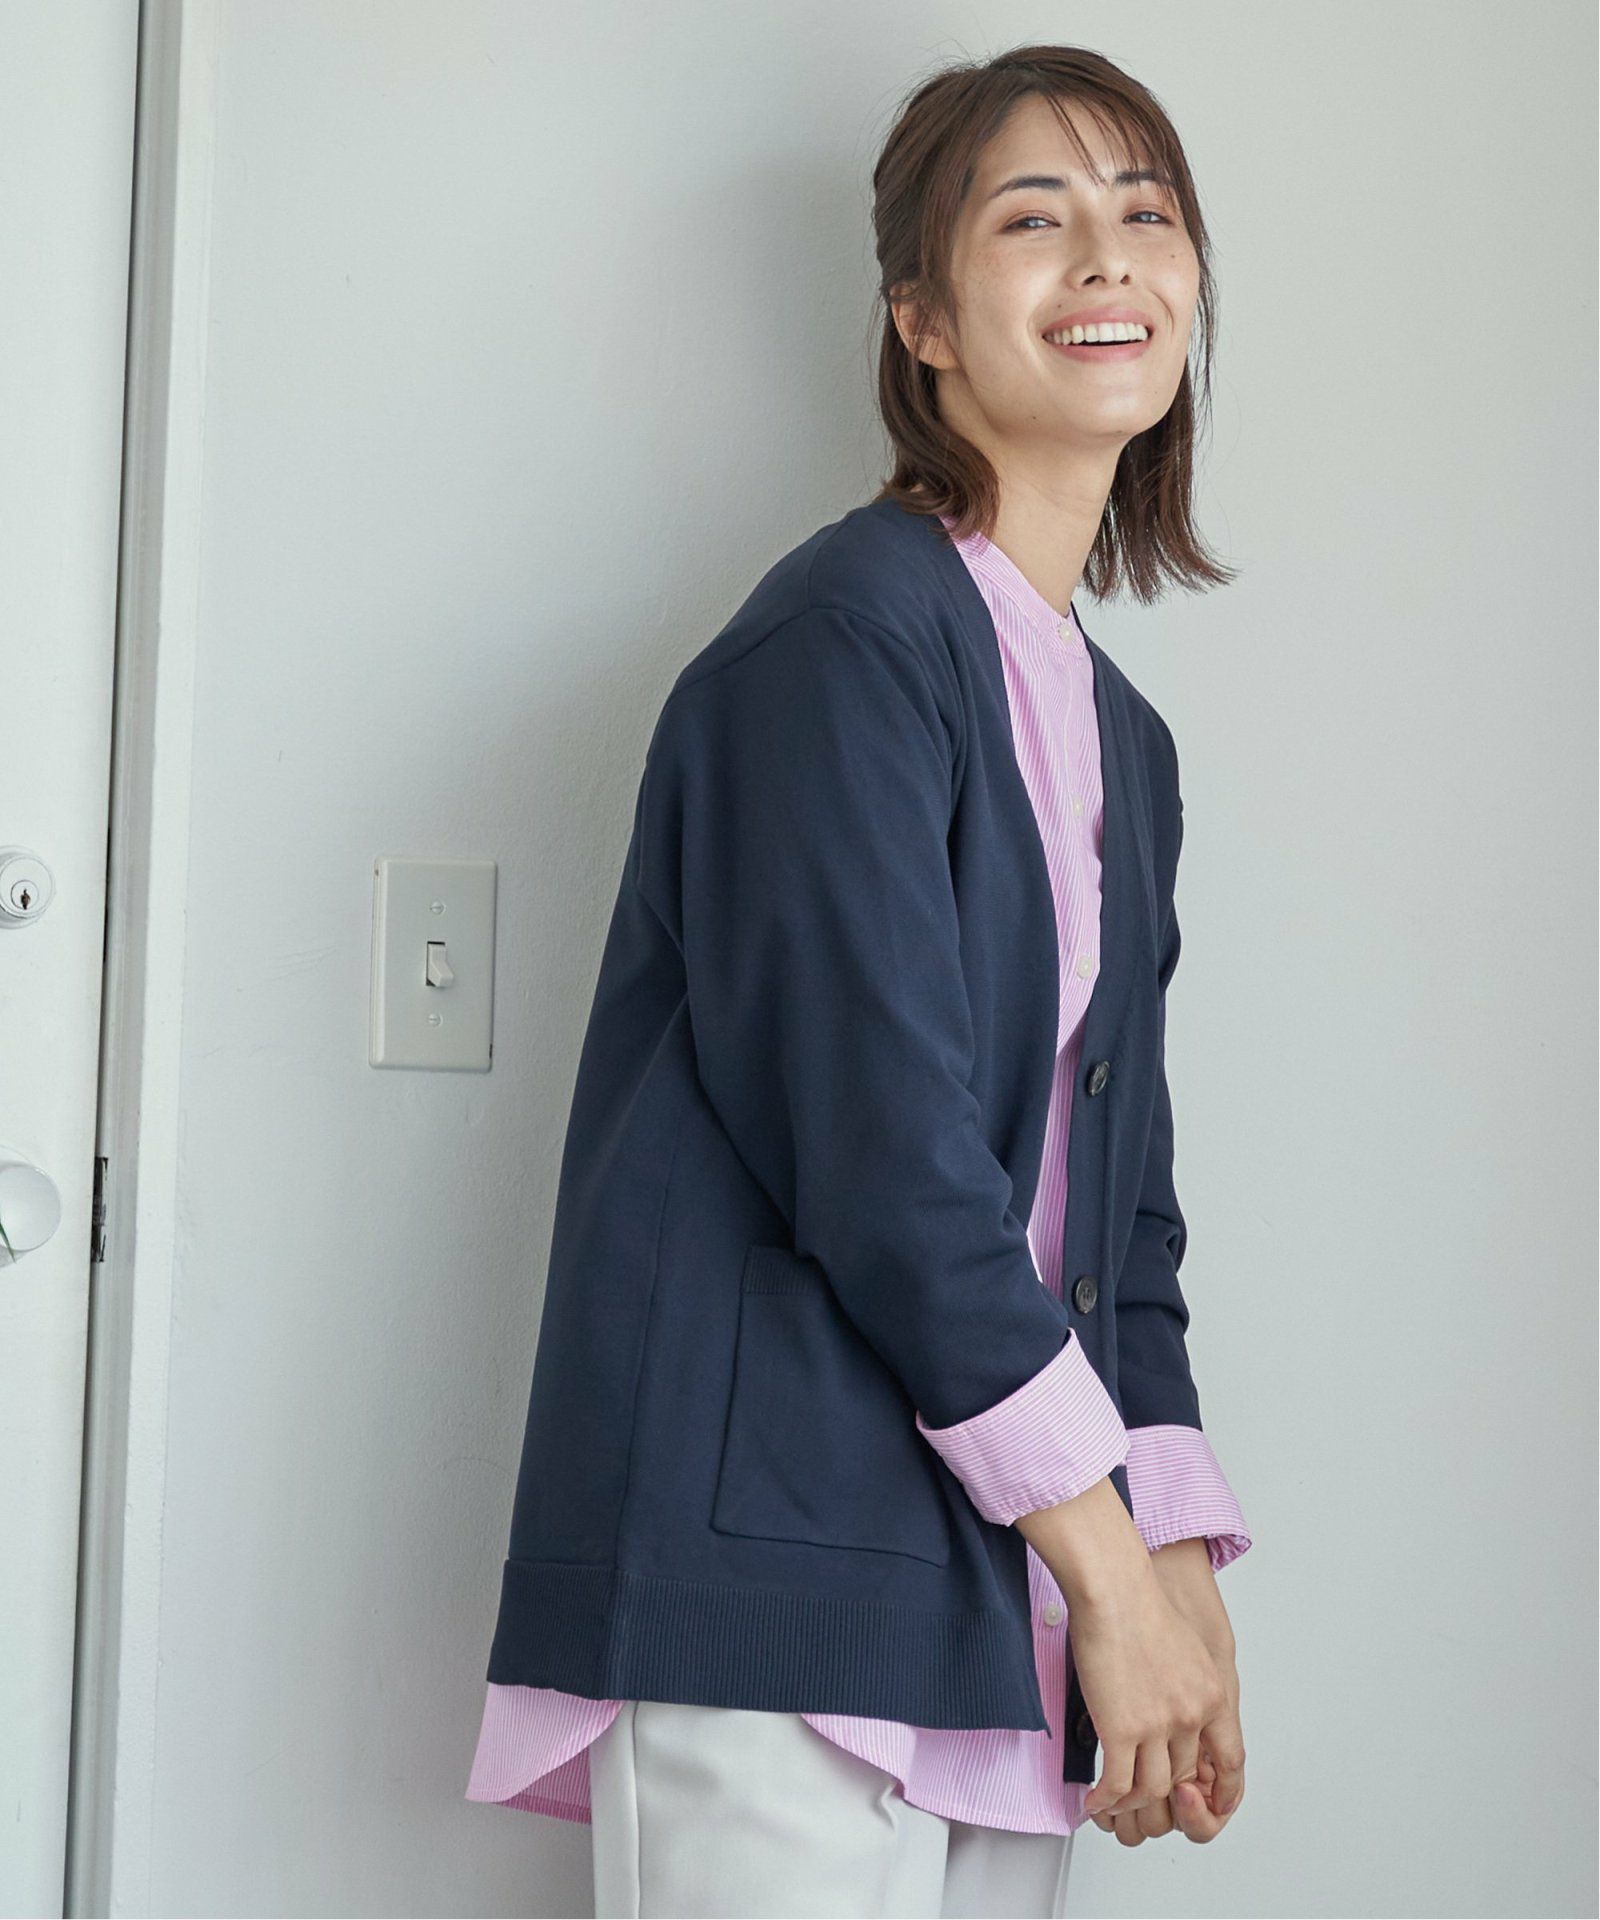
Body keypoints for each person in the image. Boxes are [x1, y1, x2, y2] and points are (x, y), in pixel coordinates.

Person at [467, 43, 1253, 1919]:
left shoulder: (1123, 745)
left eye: (1147, 213)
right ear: (922, 320)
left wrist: (1174, 1558)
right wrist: (1108, 1567)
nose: (1108, 257)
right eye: (1034, 218)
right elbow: (884, 1158)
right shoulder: (841, 645)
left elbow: (1119, 1219)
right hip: (787, 1565)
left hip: (1002, 1578)